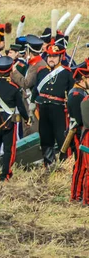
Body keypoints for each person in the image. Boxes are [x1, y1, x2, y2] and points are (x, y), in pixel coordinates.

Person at [0, 57, 29, 181]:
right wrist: (27, 119)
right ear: (10, 71)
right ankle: (5, 175)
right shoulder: (14, 88)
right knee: (9, 149)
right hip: (8, 120)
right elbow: (21, 106)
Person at [32, 41, 74, 167]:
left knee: (61, 137)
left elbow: (71, 92)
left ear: (61, 57)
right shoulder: (41, 71)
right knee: (45, 137)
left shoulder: (67, 73)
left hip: (58, 109)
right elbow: (35, 90)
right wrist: (32, 104)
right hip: (43, 108)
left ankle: (64, 163)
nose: (51, 59)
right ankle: (48, 163)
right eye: (49, 56)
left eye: (54, 56)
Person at [68, 60, 89, 201]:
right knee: (81, 166)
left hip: (82, 132)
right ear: (82, 79)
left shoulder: (80, 93)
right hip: (79, 132)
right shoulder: (77, 95)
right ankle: (76, 195)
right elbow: (81, 120)